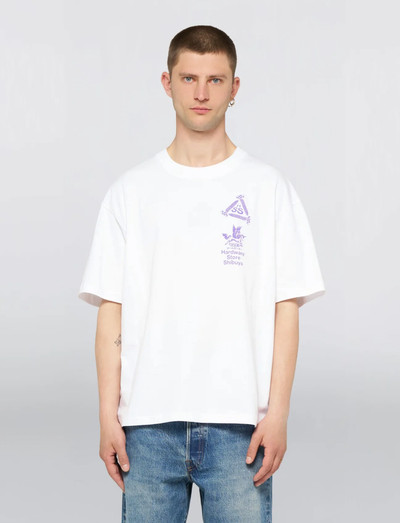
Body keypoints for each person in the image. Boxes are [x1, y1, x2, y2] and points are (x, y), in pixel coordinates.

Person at [78, 25, 325, 522]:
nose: (201, 93)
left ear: (235, 88)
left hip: (240, 428)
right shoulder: (130, 192)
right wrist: (107, 416)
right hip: (147, 427)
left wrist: (278, 413)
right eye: (189, 78)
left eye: (215, 80)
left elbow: (286, 309)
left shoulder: (268, 189)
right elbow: (111, 310)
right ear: (167, 83)